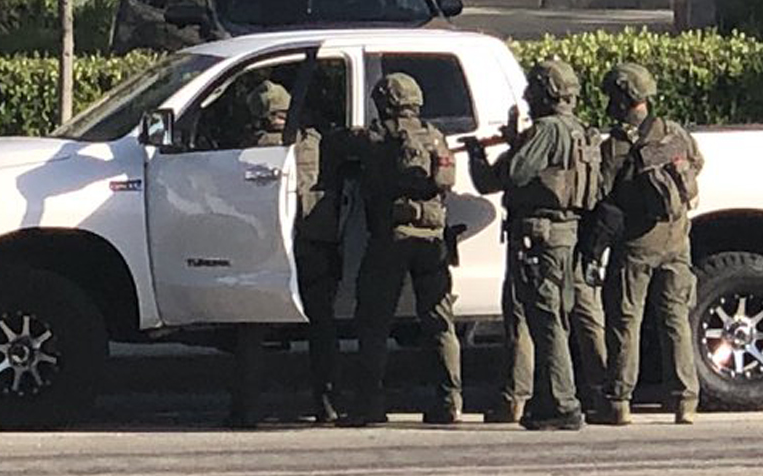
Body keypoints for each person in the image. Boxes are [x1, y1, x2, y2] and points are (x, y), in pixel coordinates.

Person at [466, 59, 601, 431]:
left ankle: (561, 403)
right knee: (558, 317)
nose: (527, 97)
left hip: (539, 236)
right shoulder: (580, 131)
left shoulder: (547, 130)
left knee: (544, 320)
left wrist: (489, 153)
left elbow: (511, 174)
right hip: (567, 233)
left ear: (546, 92)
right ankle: (552, 398)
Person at [343, 73, 462, 426]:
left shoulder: (378, 138)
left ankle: (369, 403)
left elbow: (346, 152)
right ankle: (450, 401)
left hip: (392, 238)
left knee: (374, 321)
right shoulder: (435, 136)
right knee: (440, 322)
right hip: (434, 238)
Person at [226, 79, 344, 426]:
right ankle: (328, 405)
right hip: (314, 243)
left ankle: (245, 410)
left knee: (251, 326)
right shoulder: (313, 142)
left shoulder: (254, 149)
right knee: (321, 327)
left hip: (269, 247)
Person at [592, 62, 704, 426]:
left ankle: (618, 401)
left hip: (637, 244)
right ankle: (685, 401)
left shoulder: (618, 145)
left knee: (626, 320)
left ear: (624, 98)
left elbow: (603, 192)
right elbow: (697, 164)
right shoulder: (675, 133)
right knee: (676, 319)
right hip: (677, 239)